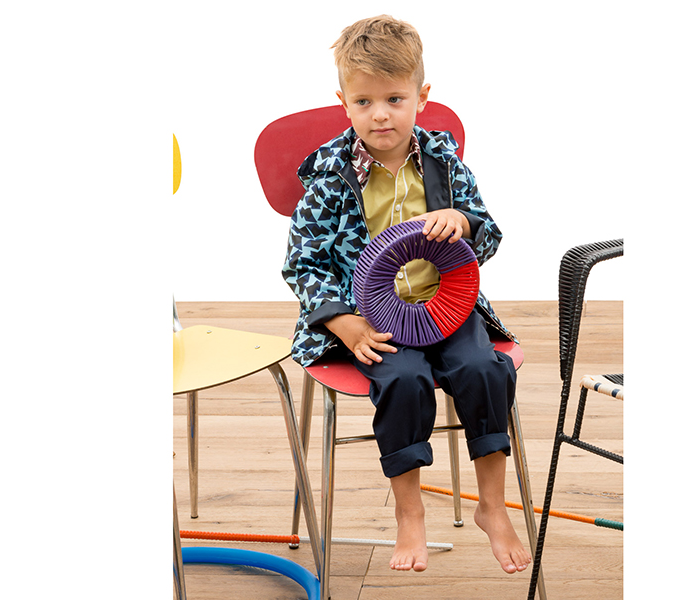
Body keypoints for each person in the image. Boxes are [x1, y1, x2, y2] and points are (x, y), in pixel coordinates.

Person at [282, 15, 531, 575]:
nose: (380, 114)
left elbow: (489, 233)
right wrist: (342, 322)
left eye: (394, 99)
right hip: (371, 318)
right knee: (404, 379)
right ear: (344, 103)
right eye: (364, 101)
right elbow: (303, 262)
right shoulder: (329, 177)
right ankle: (410, 510)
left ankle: (492, 505)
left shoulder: (443, 162)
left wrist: (463, 223)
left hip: (446, 307)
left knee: (485, 370)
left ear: (421, 97)